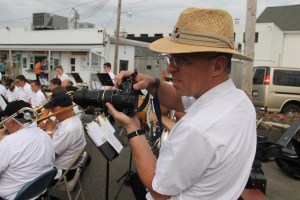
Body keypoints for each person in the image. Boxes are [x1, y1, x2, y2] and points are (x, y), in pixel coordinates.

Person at [106, 7, 257, 200]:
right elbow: (179, 100)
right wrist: (152, 83)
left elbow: (158, 189)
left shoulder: (197, 128)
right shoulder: (238, 100)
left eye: (182, 60)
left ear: (217, 65)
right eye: (171, 58)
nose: (170, 68)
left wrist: (133, 128)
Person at [0, 100, 54, 200]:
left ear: (11, 122)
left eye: (4, 119)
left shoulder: (8, 143)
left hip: (15, 197)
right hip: (39, 193)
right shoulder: (45, 135)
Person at [43, 92, 86, 181]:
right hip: (63, 164)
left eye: (53, 108)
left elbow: (48, 155)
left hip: (60, 170)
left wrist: (49, 131)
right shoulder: (71, 117)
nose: (51, 111)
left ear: (63, 109)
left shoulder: (68, 129)